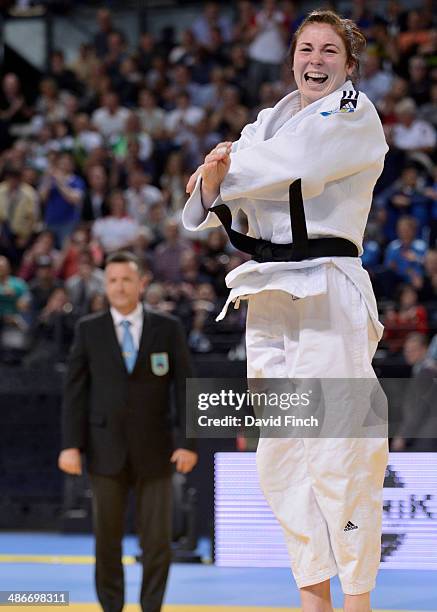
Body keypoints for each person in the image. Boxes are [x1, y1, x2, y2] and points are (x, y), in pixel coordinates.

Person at [183, 9, 388, 612]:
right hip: (267, 294)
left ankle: (357, 600)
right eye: (305, 48)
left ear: (349, 66)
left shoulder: (354, 113)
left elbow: (296, 168)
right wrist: (219, 179)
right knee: (281, 457)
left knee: (339, 450)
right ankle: (312, 598)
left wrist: (225, 172)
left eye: (329, 51)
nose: (315, 60)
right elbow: (198, 207)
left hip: (327, 287)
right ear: (291, 57)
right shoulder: (266, 124)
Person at [58, 251, 197, 612]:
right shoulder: (88, 329)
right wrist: (71, 445)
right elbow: (75, 392)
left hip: (158, 449)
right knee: (107, 543)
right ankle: (111, 607)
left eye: (126, 280)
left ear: (141, 283)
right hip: (104, 450)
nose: (119, 287)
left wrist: (188, 443)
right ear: (106, 285)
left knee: (157, 543)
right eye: (113, 280)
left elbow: (185, 389)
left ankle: (151, 607)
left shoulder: (167, 328)